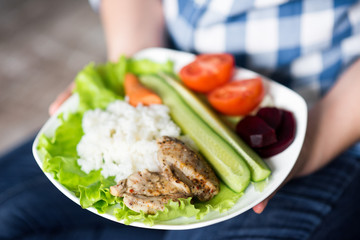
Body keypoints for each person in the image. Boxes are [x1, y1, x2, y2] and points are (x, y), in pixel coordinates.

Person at [1, 0, 360, 239]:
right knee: (12, 218)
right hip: (175, 81)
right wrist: (132, 69)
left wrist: (314, 142)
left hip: (331, 116)